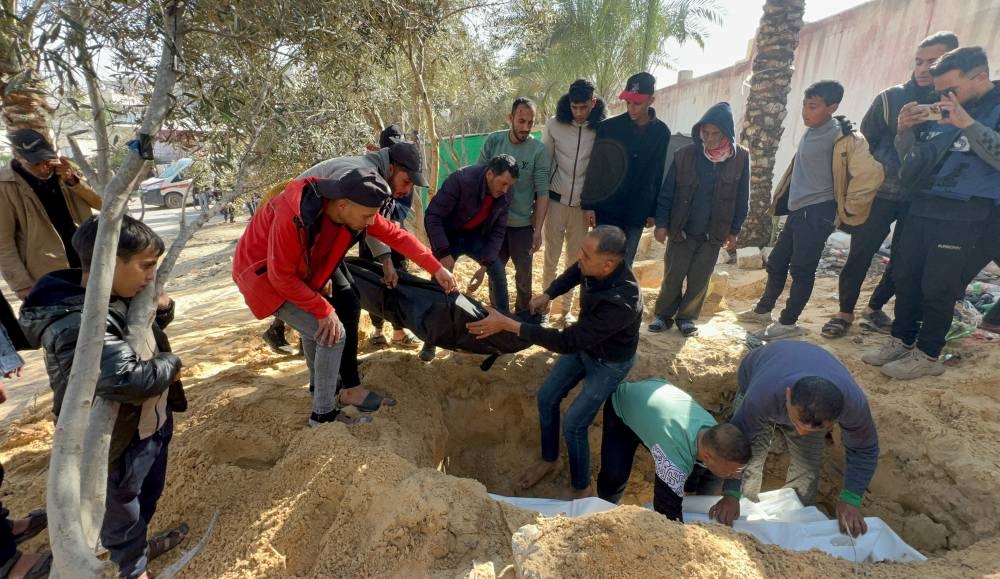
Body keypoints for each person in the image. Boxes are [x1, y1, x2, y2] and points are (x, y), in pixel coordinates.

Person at [19, 215, 189, 579]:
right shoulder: (77, 321)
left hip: (148, 423)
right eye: (145, 266)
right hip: (117, 440)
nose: (151, 275)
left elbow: (144, 327)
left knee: (145, 496)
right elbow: (126, 379)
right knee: (122, 508)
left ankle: (134, 550)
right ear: (108, 262)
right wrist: (172, 362)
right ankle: (131, 566)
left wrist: (161, 306)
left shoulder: (119, 292)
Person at [232, 168, 457, 425]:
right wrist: (323, 309)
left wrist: (436, 268)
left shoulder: (352, 205)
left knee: (316, 330)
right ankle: (323, 415)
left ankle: (320, 390)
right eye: (367, 216)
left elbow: (397, 236)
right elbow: (280, 276)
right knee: (333, 332)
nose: (371, 222)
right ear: (343, 205)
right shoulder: (293, 214)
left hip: (294, 273)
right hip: (262, 277)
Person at [467, 226, 642, 498]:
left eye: (585, 254)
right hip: (585, 345)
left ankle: (581, 487)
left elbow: (566, 342)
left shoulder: (623, 302)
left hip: (608, 362)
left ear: (608, 264)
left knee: (574, 423)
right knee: (546, 396)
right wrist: (550, 293)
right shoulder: (592, 266)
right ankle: (550, 458)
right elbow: (576, 271)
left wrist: (510, 325)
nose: (578, 256)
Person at [863, 47, 1000, 379]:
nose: (943, 96)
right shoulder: (942, 108)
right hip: (921, 202)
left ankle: (927, 354)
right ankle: (901, 339)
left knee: (938, 285)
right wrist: (905, 132)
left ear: (980, 77)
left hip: (967, 210)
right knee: (905, 275)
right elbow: (914, 161)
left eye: (951, 88)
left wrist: (965, 122)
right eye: (939, 91)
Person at [823, 32, 960, 339]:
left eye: (933, 62)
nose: (924, 69)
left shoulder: (957, 105)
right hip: (883, 193)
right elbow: (865, 145)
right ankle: (844, 312)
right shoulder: (891, 98)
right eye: (919, 61)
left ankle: (874, 308)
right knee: (861, 252)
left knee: (904, 260)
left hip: (924, 197)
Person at [264, 140, 429, 388]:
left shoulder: (374, 177)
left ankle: (334, 377)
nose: (407, 190)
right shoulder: (361, 173)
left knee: (345, 301)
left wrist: (386, 260)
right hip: (291, 241)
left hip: (315, 243)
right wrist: (320, 270)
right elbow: (310, 220)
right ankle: (337, 385)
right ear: (393, 168)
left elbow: (372, 222)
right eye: (407, 182)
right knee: (336, 307)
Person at [737, 80, 883, 339]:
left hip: (818, 214)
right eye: (805, 105)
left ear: (832, 107)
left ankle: (788, 323)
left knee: (802, 270)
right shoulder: (813, 129)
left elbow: (871, 175)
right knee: (777, 262)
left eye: (813, 106)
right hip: (798, 211)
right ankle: (763, 310)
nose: (805, 112)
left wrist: (847, 209)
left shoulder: (846, 138)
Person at [710, 342, 879, 538]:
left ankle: (798, 523)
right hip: (758, 372)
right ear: (788, 395)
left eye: (816, 428)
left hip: (809, 391)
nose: (801, 432)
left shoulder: (852, 405)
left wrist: (851, 498)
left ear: (835, 418)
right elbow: (738, 443)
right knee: (753, 457)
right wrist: (731, 494)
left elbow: (864, 449)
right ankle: (745, 515)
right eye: (798, 423)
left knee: (807, 466)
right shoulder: (762, 395)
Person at [651, 102, 750, 337]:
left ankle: (687, 318)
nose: (710, 139)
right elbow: (667, 193)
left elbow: (742, 198)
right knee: (673, 276)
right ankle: (663, 315)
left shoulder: (740, 158)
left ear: (727, 133)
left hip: (713, 233)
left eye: (716, 133)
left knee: (699, 279)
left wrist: (734, 231)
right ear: (699, 131)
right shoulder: (684, 155)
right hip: (682, 230)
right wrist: (662, 224)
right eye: (705, 133)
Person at [596, 378, 750, 522]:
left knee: (697, 475)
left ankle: (689, 488)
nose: (735, 476)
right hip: (624, 406)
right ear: (707, 457)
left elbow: (715, 469)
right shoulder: (673, 459)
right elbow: (667, 513)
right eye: (730, 473)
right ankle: (605, 509)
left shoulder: (714, 435)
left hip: (657, 398)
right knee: (614, 475)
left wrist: (732, 494)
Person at [420, 155, 519, 361]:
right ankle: (430, 340)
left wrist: (485, 264)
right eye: (503, 183)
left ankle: (504, 332)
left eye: (510, 185)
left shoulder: (506, 192)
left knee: (498, 272)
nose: (505, 190)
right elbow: (433, 216)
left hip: (475, 236)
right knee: (439, 283)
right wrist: (443, 252)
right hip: (449, 236)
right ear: (490, 173)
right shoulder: (461, 179)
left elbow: (499, 230)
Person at [0, 128, 101, 301]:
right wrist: (21, 284)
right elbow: (3, 243)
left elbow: (101, 203)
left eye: (45, 159)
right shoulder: (5, 185)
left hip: (87, 261)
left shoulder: (65, 170)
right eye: (35, 163)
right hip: (49, 274)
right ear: (18, 158)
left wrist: (73, 181)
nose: (43, 167)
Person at [581, 72, 670, 265]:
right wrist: (588, 204)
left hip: (637, 211)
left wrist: (653, 211)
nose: (631, 108)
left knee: (624, 263)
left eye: (637, 103)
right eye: (628, 102)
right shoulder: (608, 128)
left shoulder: (662, 133)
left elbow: (657, 172)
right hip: (607, 208)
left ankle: (617, 297)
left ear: (651, 100)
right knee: (598, 260)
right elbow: (596, 168)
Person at [477, 97, 551, 314]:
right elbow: (479, 178)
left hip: (522, 226)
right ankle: (497, 315)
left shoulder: (538, 151)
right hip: (493, 223)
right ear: (510, 118)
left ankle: (521, 318)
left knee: (524, 277)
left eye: (530, 122)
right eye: (521, 121)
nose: (525, 127)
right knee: (495, 273)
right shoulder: (493, 141)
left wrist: (538, 230)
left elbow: (543, 194)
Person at [541, 79, 606, 325]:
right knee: (550, 259)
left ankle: (566, 312)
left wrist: (594, 204)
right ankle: (544, 311)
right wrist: (541, 202)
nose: (578, 113)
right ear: (568, 104)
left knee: (575, 262)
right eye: (574, 107)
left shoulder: (601, 129)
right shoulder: (554, 126)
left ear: (593, 103)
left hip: (583, 207)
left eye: (584, 108)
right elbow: (545, 164)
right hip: (556, 203)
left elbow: (600, 170)